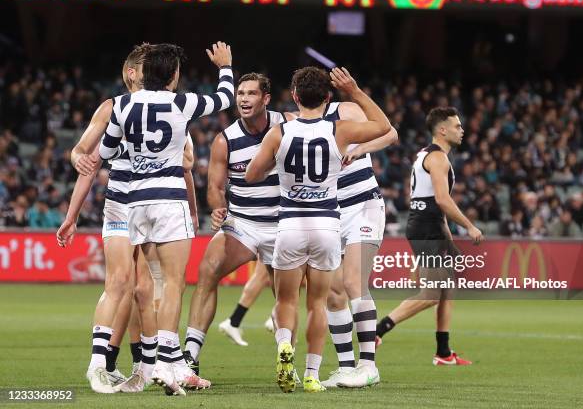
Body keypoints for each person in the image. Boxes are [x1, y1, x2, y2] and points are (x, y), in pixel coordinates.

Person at [98, 42, 234, 396]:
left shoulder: (123, 104)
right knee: (173, 283)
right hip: (169, 200)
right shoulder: (182, 102)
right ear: (173, 75)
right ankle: (164, 358)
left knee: (150, 284)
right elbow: (224, 97)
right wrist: (225, 66)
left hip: (135, 204)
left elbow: (107, 152)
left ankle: (163, 361)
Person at [246, 66, 391, 393]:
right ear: (328, 94)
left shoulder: (283, 130)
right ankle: (331, 369)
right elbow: (385, 126)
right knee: (328, 296)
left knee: (321, 290)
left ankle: (366, 365)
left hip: (340, 210)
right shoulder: (341, 125)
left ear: (295, 95)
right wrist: (355, 90)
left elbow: (252, 174)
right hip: (329, 218)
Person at [57, 44, 161, 394]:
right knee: (119, 283)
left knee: (144, 289)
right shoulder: (112, 107)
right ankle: (97, 366)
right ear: (131, 72)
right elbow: (84, 156)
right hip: (120, 202)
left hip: (153, 205)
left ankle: (144, 368)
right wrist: (71, 215)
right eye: (148, 67)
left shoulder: (164, 104)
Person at [183, 73, 295, 374]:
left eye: (251, 94)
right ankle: (190, 357)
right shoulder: (225, 139)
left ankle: (286, 357)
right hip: (243, 224)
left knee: (285, 295)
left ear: (266, 98)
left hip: (283, 223)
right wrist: (218, 209)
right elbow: (216, 188)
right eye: (240, 93)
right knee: (207, 271)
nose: (243, 99)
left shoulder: (289, 124)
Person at [375, 107, 482, 366]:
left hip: (429, 224)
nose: (462, 130)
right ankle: (377, 331)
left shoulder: (427, 155)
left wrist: (450, 242)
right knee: (431, 294)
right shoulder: (438, 159)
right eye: (457, 126)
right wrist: (469, 226)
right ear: (442, 130)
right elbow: (443, 201)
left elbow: (435, 207)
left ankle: (443, 353)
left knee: (446, 290)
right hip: (425, 227)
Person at [320, 100, 398, 388]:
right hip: (330, 212)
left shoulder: (344, 111)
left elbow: (390, 134)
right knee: (333, 291)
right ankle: (345, 368)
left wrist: (360, 148)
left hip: (363, 206)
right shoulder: (296, 126)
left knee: (354, 281)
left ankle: (368, 366)